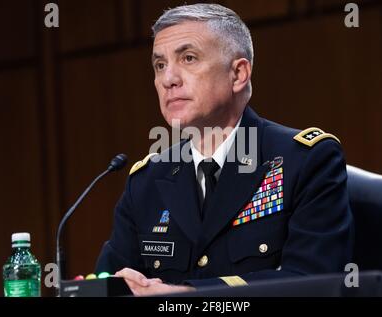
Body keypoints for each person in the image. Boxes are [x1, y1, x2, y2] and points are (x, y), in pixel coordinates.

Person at [95, 3, 354, 296]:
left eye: (188, 58)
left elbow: (315, 282)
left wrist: (188, 295)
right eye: (160, 65)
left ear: (238, 74)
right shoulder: (146, 182)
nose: (168, 79)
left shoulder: (305, 161)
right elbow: (106, 282)